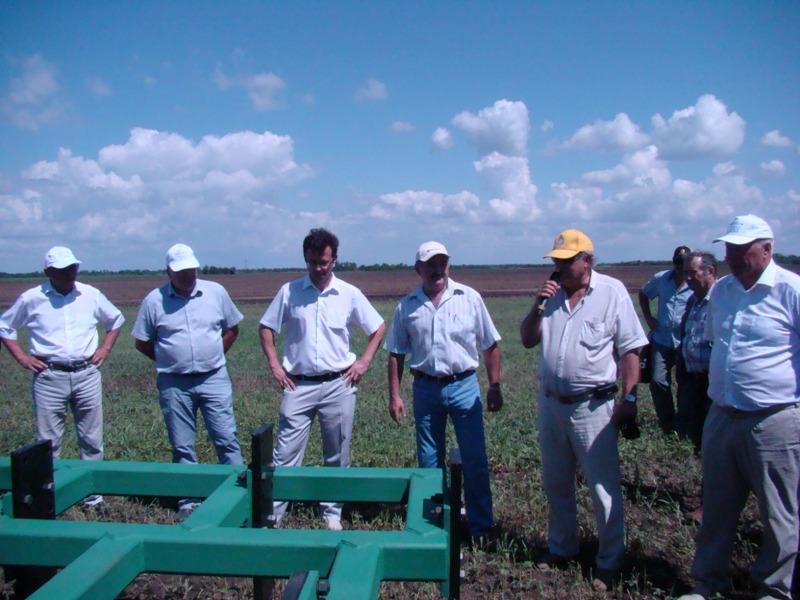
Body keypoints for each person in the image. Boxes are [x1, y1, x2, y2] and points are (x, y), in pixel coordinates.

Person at [679, 215, 800, 600]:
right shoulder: (723, 291)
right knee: (717, 507)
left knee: (778, 513)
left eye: (742, 249)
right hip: (723, 414)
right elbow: (719, 346)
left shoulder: (791, 290)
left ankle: (774, 590)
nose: (732, 257)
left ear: (767, 248)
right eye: (728, 249)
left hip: (775, 419)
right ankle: (708, 583)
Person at [520, 229, 647, 592]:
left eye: (566, 261)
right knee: (556, 481)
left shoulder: (611, 292)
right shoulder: (552, 296)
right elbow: (528, 340)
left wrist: (630, 398)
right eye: (556, 261)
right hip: (551, 405)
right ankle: (562, 546)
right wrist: (536, 306)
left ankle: (609, 561)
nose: (559, 268)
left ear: (587, 260)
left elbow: (631, 349)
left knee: (602, 487)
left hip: (594, 406)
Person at [259, 228, 385, 531]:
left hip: (338, 385)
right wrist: (276, 366)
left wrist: (364, 361)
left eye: (324, 262)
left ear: (335, 259)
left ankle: (331, 512)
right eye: (313, 261)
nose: (318, 268)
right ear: (305, 259)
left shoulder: (349, 293)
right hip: (298, 384)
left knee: (337, 452)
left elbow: (377, 327)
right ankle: (273, 514)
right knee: (285, 452)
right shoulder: (289, 291)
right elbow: (266, 328)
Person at [385, 241, 503, 544]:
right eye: (431, 263)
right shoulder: (407, 306)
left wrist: (494, 385)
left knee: (475, 459)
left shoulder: (470, 298)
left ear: (448, 266)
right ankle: (435, 528)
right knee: (429, 463)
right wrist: (395, 395)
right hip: (425, 390)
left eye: (442, 263)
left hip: (465, 386)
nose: (438, 269)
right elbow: (396, 353)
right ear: (418, 269)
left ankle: (480, 529)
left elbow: (490, 344)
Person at [0, 246, 124, 506]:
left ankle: (92, 495)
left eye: (72, 268)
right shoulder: (31, 298)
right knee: (48, 441)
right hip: (49, 375)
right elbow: (5, 326)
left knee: (91, 439)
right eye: (62, 270)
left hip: (87, 373)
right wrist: (22, 357)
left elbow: (115, 320)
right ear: (48, 272)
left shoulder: (90, 295)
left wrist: (105, 348)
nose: (69, 273)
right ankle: (51, 495)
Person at [132, 244, 244, 518]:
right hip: (174, 383)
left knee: (226, 437)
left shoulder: (215, 292)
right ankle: (188, 500)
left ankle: (238, 492)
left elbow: (232, 329)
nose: (188, 275)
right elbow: (142, 342)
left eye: (192, 269)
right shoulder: (154, 300)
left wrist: (213, 355)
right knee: (182, 444)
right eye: (182, 271)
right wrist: (169, 360)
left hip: (213, 377)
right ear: (169, 271)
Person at [638, 245, 693, 433]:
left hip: (685, 342)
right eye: (678, 263)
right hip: (661, 340)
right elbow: (643, 294)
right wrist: (648, 319)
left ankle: (684, 423)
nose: (680, 267)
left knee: (685, 385)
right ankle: (667, 422)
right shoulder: (662, 279)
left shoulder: (694, 280)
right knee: (658, 380)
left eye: (684, 263)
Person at [676, 251, 717, 455]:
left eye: (693, 272)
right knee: (697, 433)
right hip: (694, 381)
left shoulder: (721, 299)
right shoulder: (693, 301)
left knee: (714, 438)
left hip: (715, 382)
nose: (688, 278)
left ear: (711, 271)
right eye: (686, 273)